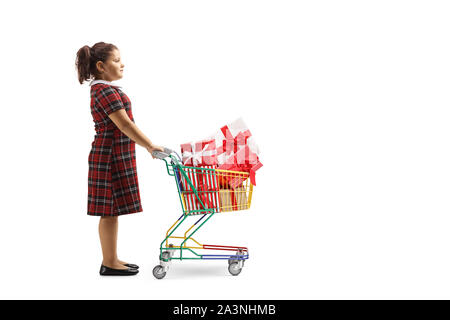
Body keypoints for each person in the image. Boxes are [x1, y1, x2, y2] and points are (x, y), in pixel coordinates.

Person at [75, 42, 164, 276]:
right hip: (109, 156)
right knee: (108, 210)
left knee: (111, 210)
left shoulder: (105, 89)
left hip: (114, 154)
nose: (122, 64)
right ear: (101, 66)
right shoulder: (104, 91)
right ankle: (109, 262)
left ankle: (111, 259)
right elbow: (124, 124)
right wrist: (149, 145)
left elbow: (125, 124)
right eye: (116, 60)